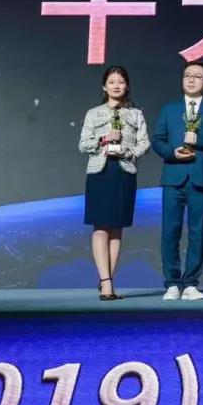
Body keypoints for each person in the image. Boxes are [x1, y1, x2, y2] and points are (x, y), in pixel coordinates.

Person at [151, 60, 203, 301]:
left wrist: (198, 140)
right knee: (170, 232)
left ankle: (191, 283)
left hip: (201, 178)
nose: (191, 80)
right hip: (173, 177)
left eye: (197, 76)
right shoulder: (170, 109)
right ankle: (172, 283)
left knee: (197, 233)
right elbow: (157, 140)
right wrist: (172, 153)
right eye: (187, 75)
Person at [78, 65, 150, 301]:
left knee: (117, 229)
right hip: (100, 173)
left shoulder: (136, 114)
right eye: (111, 82)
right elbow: (83, 145)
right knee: (100, 228)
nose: (116, 86)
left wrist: (127, 152)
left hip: (123, 172)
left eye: (120, 82)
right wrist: (104, 139)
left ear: (126, 86)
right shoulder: (93, 113)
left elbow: (144, 144)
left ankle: (108, 280)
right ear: (104, 86)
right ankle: (106, 283)